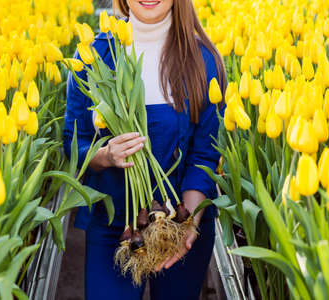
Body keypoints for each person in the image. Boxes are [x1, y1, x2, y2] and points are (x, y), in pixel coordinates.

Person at [63, 0, 227, 299]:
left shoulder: (202, 59)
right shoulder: (94, 56)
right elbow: (74, 141)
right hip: (115, 227)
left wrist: (186, 224)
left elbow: (205, 154)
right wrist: (105, 155)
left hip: (179, 220)